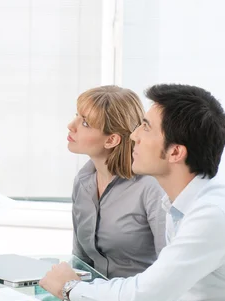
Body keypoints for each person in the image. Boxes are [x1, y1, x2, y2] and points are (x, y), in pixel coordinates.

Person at [40, 84, 225, 301]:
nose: (133, 135)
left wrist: (70, 287)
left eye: (146, 128)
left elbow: (141, 299)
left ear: (175, 153)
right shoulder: (181, 208)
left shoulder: (213, 216)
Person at [68, 86, 165, 279]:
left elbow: (171, 271)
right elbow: (81, 261)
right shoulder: (83, 180)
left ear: (112, 140)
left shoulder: (150, 187)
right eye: (76, 115)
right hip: (97, 300)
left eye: (85, 123)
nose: (71, 125)